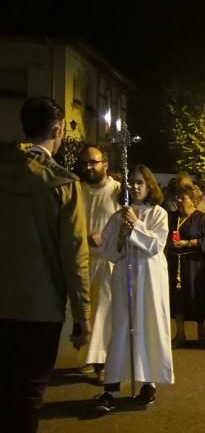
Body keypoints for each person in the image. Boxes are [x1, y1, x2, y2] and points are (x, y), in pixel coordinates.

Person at [0, 97, 89, 433]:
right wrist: (82, 315)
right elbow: (75, 256)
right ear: (59, 131)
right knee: (27, 391)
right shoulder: (63, 184)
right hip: (38, 306)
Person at [95, 165, 173, 413]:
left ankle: (148, 382)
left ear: (150, 185)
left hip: (150, 276)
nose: (135, 187)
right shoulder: (119, 215)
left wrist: (137, 224)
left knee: (147, 324)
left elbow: (155, 245)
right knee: (121, 326)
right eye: (131, 183)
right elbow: (108, 251)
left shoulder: (158, 213)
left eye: (140, 182)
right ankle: (111, 386)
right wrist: (119, 239)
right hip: (124, 275)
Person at [79, 144, 121, 385]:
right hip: (85, 260)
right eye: (85, 163)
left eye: (93, 162)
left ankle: (102, 362)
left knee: (104, 312)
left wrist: (107, 238)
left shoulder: (118, 191)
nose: (89, 167)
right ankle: (90, 355)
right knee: (88, 311)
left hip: (108, 261)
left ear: (105, 163)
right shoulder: (79, 191)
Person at [167, 185, 205, 347]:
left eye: (184, 198)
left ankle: (201, 329)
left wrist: (188, 243)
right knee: (177, 297)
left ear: (194, 201)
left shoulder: (203, 219)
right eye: (178, 197)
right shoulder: (171, 217)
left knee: (197, 296)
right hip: (176, 263)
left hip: (195, 264)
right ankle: (180, 333)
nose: (179, 201)